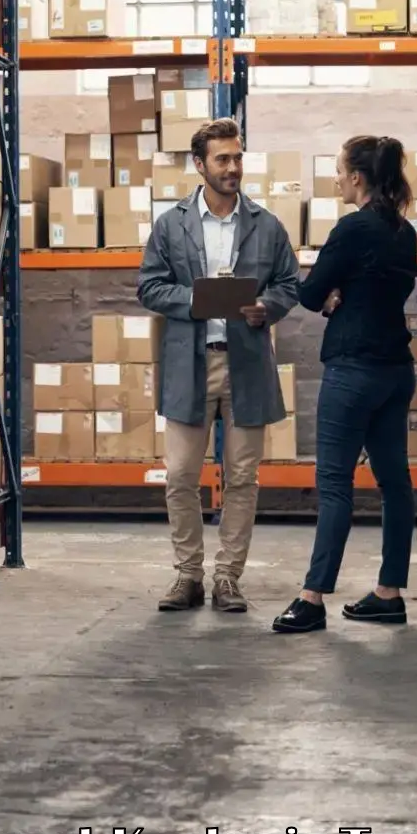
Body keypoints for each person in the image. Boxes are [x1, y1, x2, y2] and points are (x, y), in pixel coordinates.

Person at [137, 117, 300, 614]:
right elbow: (149, 286)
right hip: (191, 363)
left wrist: (266, 307)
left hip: (246, 364)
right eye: (223, 159)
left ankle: (228, 577)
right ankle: (188, 575)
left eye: (238, 158)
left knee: (243, 478)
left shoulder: (267, 225)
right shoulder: (171, 225)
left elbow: (290, 283)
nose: (233, 168)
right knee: (181, 476)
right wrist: (196, 300)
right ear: (199, 164)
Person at [272, 134, 417, 635]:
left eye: (339, 170)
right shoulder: (405, 232)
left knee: (335, 483)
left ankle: (312, 598)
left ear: (357, 177)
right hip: (396, 371)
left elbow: (309, 292)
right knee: (394, 482)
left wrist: (334, 296)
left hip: (353, 369)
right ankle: (389, 593)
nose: (335, 178)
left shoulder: (352, 227)